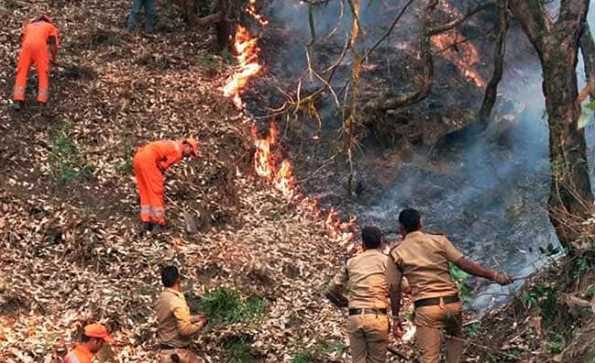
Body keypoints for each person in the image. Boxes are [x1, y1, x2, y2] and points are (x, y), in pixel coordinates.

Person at [386, 208, 513, 363]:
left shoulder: (396, 253)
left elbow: (394, 288)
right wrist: (495, 276)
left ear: (401, 228)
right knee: (455, 348)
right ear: (420, 223)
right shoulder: (439, 241)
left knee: (429, 359)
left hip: (427, 309)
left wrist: (395, 317)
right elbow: (464, 264)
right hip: (452, 304)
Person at [325, 226, 390, 363]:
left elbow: (330, 290)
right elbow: (404, 287)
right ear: (381, 243)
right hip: (378, 317)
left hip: (355, 317)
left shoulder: (351, 262)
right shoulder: (387, 262)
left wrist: (344, 303)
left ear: (363, 244)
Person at [133, 138, 199, 232]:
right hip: (148, 160)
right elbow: (162, 166)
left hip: (138, 158)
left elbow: (161, 159)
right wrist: (161, 172)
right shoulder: (178, 152)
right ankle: (158, 223)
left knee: (145, 190)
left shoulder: (172, 144)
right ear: (187, 146)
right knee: (156, 191)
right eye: (191, 152)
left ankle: (146, 221)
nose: (189, 156)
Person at [156, 265, 207, 363]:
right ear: (178, 279)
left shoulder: (162, 298)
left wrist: (197, 318)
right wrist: (201, 324)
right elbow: (184, 330)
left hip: (164, 353)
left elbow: (172, 320)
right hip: (178, 354)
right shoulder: (176, 301)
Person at [12, 15, 60, 110]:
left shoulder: (29, 26)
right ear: (47, 21)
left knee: (22, 71)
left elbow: (22, 38)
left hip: (26, 46)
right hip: (40, 46)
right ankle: (42, 102)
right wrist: (53, 58)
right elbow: (53, 44)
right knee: (43, 72)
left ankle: (18, 99)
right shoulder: (50, 27)